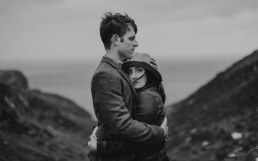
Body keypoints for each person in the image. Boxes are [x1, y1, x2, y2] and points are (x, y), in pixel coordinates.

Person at [87, 12, 168, 161]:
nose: (136, 43)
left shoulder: (120, 69)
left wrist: (151, 74)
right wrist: (160, 133)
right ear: (116, 40)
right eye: (131, 38)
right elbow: (123, 126)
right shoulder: (105, 74)